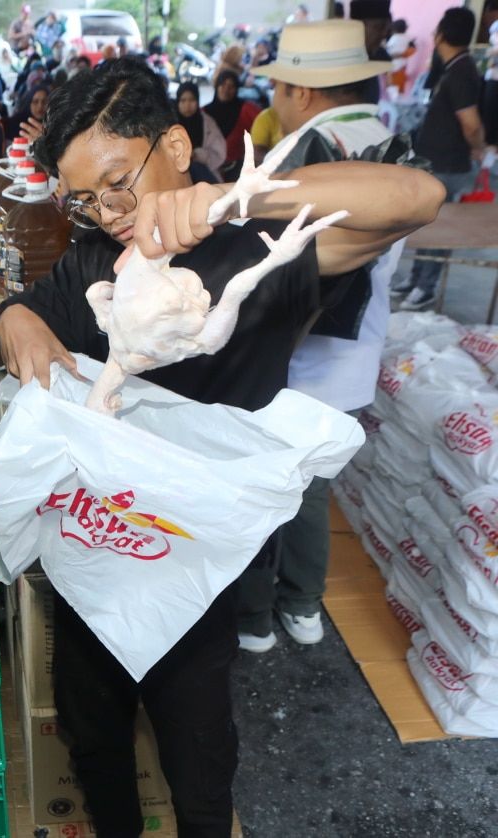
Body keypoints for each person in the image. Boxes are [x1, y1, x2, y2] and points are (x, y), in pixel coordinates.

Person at [0, 57, 443, 837]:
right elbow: (18, 313)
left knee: (196, 745)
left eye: (120, 181)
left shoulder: (259, 251)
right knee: (92, 727)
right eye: (82, 197)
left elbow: (415, 197)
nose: (108, 211)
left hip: (201, 557)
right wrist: (10, 319)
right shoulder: (96, 258)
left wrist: (235, 197)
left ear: (178, 148)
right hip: (100, 546)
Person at [238, 18, 401, 650]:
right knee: (314, 487)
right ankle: (303, 605)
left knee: (265, 487)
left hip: (296, 358)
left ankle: (254, 618)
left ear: (302, 91)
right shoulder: (389, 137)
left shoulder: (312, 147)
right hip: (358, 356)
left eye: (280, 85)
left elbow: (275, 263)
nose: (277, 96)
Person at [393, 7, 486, 311]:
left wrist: (477, 146)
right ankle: (418, 277)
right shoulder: (453, 67)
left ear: (441, 34)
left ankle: (426, 286)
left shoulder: (461, 70)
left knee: (440, 224)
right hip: (435, 160)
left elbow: (470, 123)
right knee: (425, 223)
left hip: (449, 162)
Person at [205, 69, 261, 180]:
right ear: (217, 86)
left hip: (239, 171)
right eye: (223, 84)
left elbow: (265, 122)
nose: (226, 89)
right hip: (209, 171)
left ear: (236, 89)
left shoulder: (245, 109)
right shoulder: (204, 113)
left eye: (231, 86)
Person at [174, 80, 226, 183]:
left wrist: (198, 155)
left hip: (203, 171)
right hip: (175, 174)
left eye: (192, 100)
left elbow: (219, 153)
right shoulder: (171, 123)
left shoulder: (207, 123)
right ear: (177, 102)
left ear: (198, 101)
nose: (187, 105)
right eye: (183, 100)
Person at [348, 0, 393, 105]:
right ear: (358, 26)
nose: (384, 34)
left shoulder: (378, 56)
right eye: (379, 27)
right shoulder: (340, 60)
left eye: (387, 28)